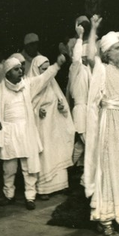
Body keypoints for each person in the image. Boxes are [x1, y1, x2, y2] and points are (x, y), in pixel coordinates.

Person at [0, 54, 67, 210]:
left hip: (26, 131)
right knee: (9, 168)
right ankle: (9, 195)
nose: (20, 72)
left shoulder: (27, 85)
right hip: (8, 132)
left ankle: (30, 196)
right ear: (7, 73)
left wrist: (57, 65)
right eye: (16, 70)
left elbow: (43, 78)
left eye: (21, 69)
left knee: (29, 168)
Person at [84, 15, 119, 236]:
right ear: (107, 52)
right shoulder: (102, 69)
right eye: (116, 49)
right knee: (108, 170)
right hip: (110, 125)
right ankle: (105, 219)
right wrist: (94, 29)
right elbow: (90, 56)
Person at [28, 55, 75, 199]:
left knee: (57, 152)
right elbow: (28, 106)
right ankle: (44, 189)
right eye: (43, 69)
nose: (46, 72)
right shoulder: (32, 83)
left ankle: (60, 185)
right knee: (45, 154)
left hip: (55, 125)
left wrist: (62, 107)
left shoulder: (52, 84)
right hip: (42, 126)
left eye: (47, 69)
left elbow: (61, 101)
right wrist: (37, 111)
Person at [67, 21, 92, 168]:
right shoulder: (75, 68)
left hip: (88, 109)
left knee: (82, 144)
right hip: (80, 109)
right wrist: (80, 37)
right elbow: (76, 57)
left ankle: (72, 167)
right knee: (88, 142)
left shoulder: (88, 69)